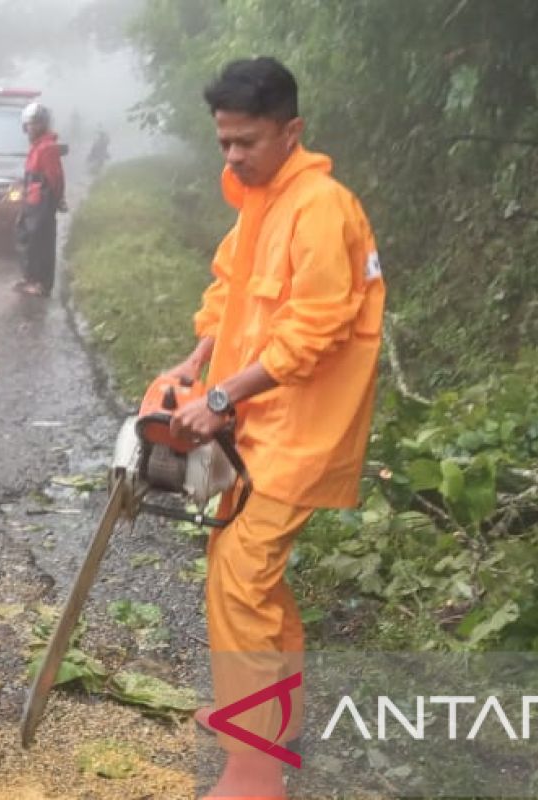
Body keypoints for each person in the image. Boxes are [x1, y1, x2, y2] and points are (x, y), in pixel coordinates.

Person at [166, 57, 384, 799]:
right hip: (252, 429)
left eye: (247, 142)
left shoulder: (322, 208)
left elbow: (313, 331)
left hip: (298, 433)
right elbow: (231, 291)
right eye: (224, 142)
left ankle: (257, 772)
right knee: (246, 578)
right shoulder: (260, 200)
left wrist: (221, 399)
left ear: (291, 130)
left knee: (241, 586)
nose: (233, 156)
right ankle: (269, 716)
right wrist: (199, 358)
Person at [15, 102, 65, 298]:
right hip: (32, 199)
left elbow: (56, 177)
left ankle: (41, 283)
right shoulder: (37, 146)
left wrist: (57, 199)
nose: (31, 128)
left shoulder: (47, 147)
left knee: (41, 241)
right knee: (26, 238)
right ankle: (30, 278)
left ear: (43, 124)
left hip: (43, 200)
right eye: (28, 124)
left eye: (35, 123)